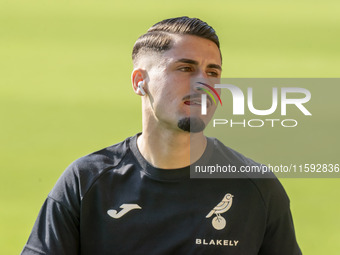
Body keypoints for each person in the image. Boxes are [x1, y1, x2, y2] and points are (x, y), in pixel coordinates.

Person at [21, 16, 302, 255]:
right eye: (185, 68)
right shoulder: (86, 183)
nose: (204, 83)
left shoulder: (255, 188)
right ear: (139, 81)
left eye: (212, 72)